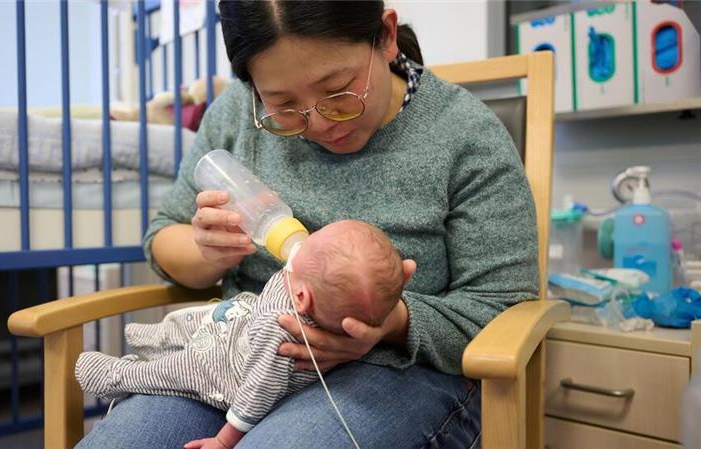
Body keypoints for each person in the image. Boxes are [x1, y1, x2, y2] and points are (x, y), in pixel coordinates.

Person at [76, 1, 539, 448]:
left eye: (337, 91)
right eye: (284, 106)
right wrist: (208, 250)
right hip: (236, 359)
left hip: (400, 370)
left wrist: (391, 321)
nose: (318, 123)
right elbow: (164, 237)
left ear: (386, 36)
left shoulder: (464, 137)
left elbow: (500, 306)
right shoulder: (238, 114)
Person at [75, 220, 408, 449]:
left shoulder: (280, 337)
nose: (304, 239)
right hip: (238, 321)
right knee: (192, 321)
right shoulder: (312, 290)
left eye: (311, 245)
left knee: (175, 370)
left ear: (303, 299)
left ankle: (121, 375)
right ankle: (157, 338)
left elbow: (257, 393)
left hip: (224, 372)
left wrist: (225, 440)